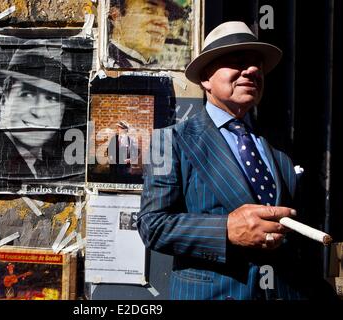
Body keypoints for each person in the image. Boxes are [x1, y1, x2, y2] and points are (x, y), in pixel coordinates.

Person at [138, 21, 337, 300]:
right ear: (206, 79)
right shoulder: (168, 141)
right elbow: (152, 225)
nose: (253, 70)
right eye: (237, 61)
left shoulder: (279, 143)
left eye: (257, 64)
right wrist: (226, 230)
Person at [0, 40, 86, 191]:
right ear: (3, 100)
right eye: (27, 94)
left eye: (52, 98)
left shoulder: (53, 162)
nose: (39, 112)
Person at [107, 0, 185, 68]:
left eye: (166, 14)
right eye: (149, 9)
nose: (164, 21)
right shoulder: (106, 64)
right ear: (117, 17)